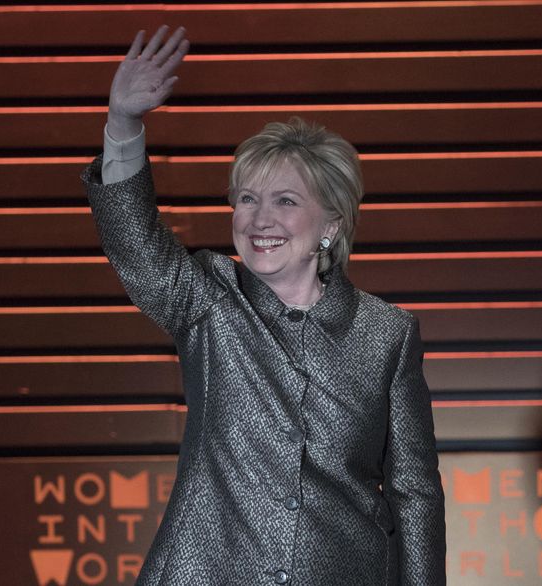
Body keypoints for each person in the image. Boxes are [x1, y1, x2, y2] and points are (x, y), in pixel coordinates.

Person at [81, 26, 446, 586]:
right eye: (247, 199)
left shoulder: (386, 334)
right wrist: (123, 124)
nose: (259, 219)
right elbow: (135, 245)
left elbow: (414, 492)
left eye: (285, 201)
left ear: (331, 224)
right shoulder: (208, 297)